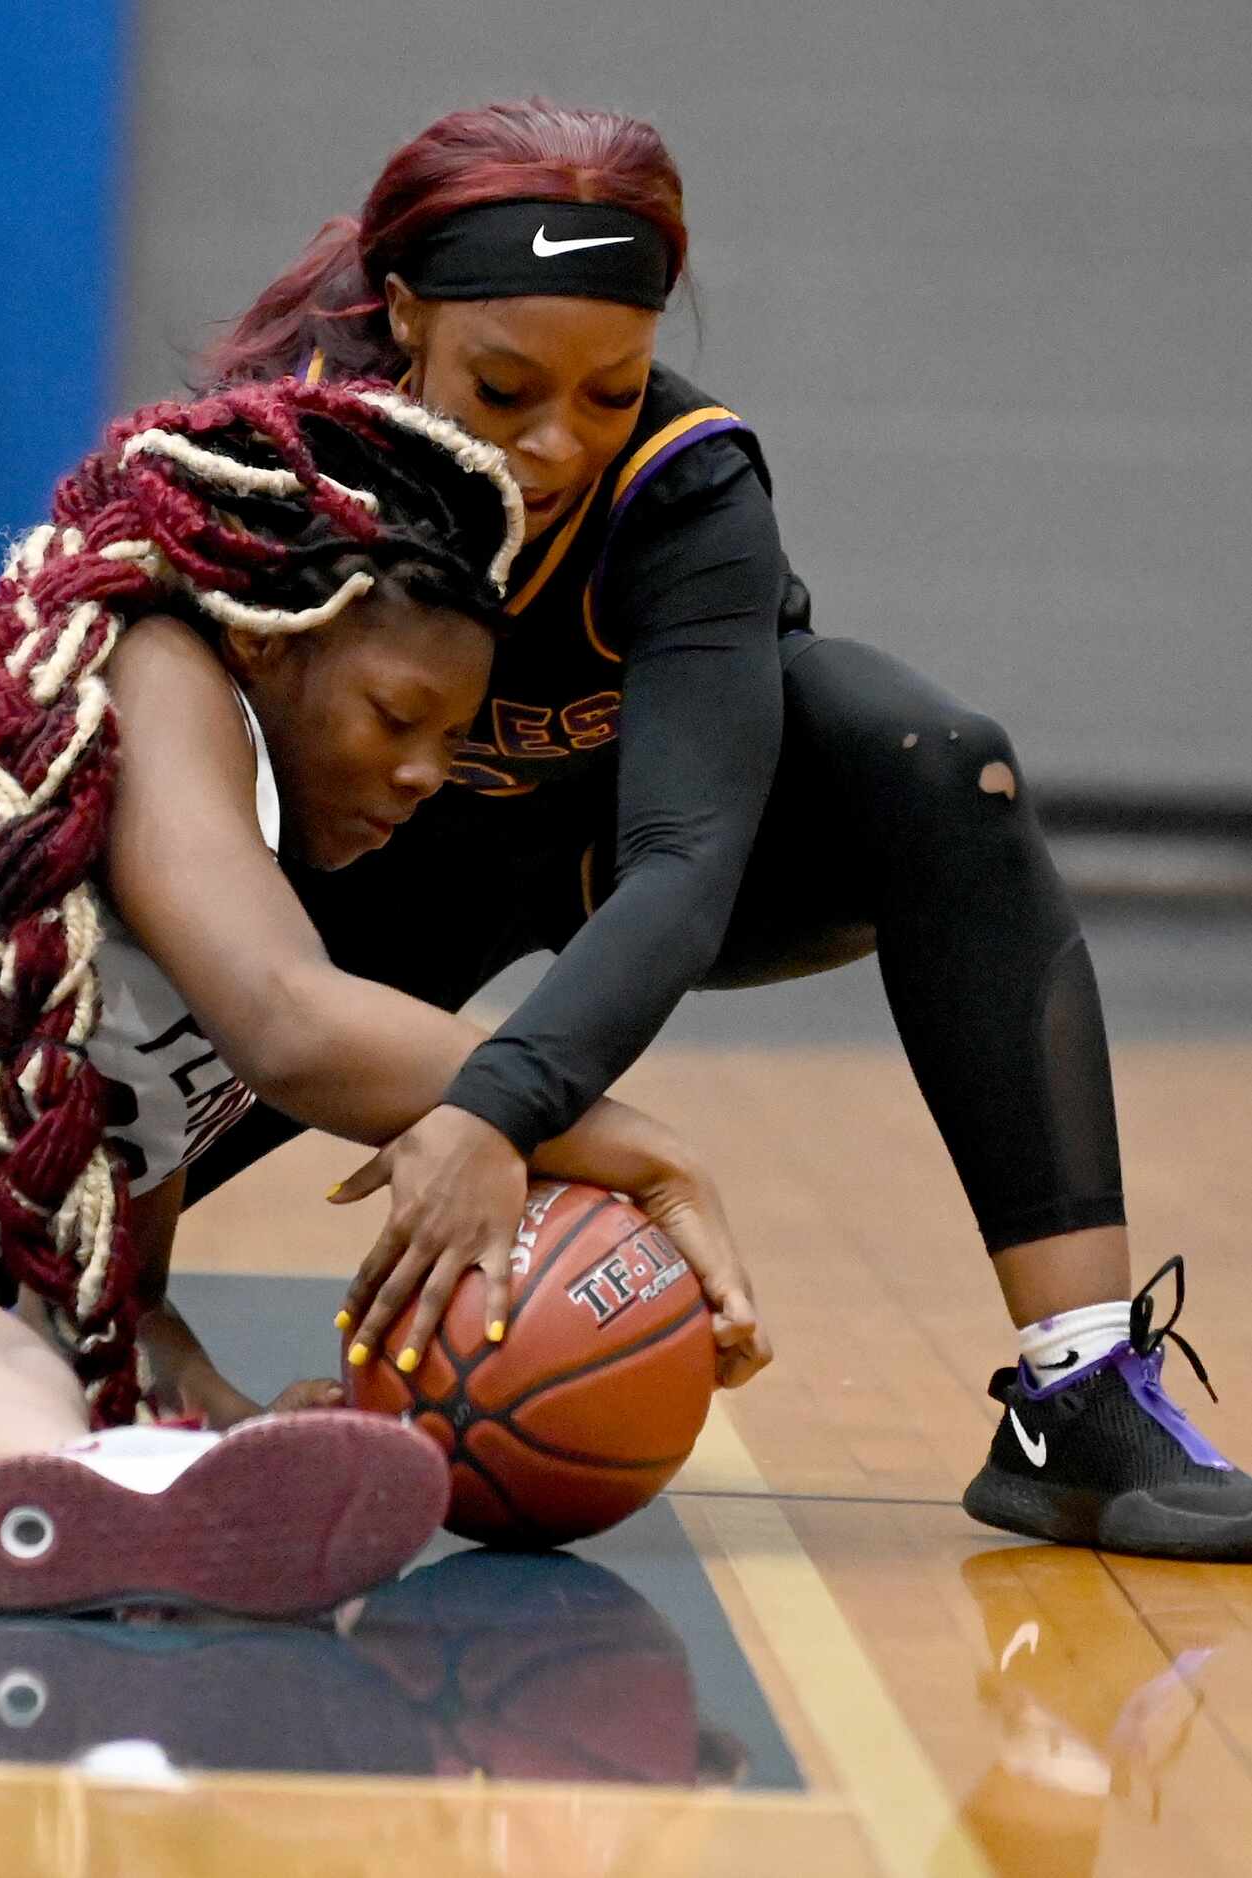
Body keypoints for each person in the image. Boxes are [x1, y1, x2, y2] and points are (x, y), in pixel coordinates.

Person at [184, 99, 1252, 1562]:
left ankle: (1078, 1393)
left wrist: (498, 1106)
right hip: (369, 868)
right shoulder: (271, 464)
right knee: (33, 1230)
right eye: (503, 392)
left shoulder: (685, 487)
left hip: (645, 855)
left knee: (944, 766)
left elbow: (684, 860)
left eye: (609, 391)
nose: (558, 443)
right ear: (405, 316)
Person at [0, 374, 762, 1617]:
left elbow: (122, 1306)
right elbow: (292, 1025)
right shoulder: (157, 663)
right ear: (261, 636)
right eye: (395, 715)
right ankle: (102, 1523)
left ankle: (128, 1503)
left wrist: (236, 1439)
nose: (421, 774)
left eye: (452, 743)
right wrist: (628, 1143)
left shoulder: (209, 879)